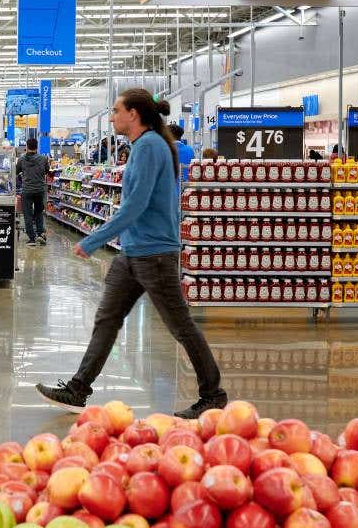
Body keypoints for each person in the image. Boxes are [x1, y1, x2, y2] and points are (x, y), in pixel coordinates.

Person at [35, 88, 226, 419]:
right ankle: (77, 389)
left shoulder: (150, 146)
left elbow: (135, 205)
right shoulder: (142, 146)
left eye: (115, 110)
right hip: (133, 252)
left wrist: (94, 239)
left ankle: (213, 394)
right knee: (107, 318)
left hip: (154, 253)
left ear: (133, 114)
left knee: (181, 326)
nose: (111, 117)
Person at [15, 137, 50, 246]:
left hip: (27, 190)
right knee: (39, 212)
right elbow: (47, 171)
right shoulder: (43, 159)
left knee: (27, 214)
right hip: (40, 190)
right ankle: (40, 234)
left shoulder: (21, 159)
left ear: (26, 146)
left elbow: (16, 172)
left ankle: (31, 239)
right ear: (37, 147)